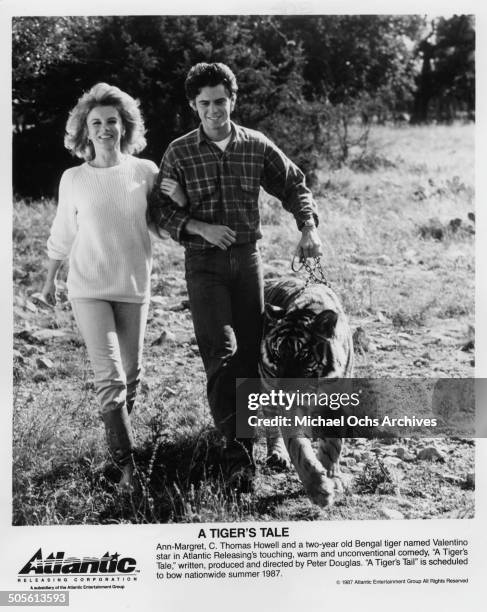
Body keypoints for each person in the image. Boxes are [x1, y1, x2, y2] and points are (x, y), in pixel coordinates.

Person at [148, 62, 322, 491]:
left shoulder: (255, 146)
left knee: (253, 355)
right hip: (204, 265)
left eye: (221, 101)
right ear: (193, 105)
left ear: (233, 100)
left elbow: (295, 184)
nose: (213, 110)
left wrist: (309, 227)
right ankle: (237, 454)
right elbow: (163, 212)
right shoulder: (179, 152)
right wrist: (199, 227)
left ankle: (270, 442)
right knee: (222, 357)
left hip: (247, 262)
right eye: (204, 103)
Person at [41, 82, 185, 490]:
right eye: (96, 122)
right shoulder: (73, 178)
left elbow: (160, 226)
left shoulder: (145, 171)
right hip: (87, 287)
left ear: (125, 126)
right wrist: (49, 279)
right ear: (85, 130)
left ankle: (116, 446)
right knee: (110, 376)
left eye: (112, 121)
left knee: (133, 373)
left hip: (133, 285)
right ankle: (128, 467)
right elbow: (62, 232)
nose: (105, 128)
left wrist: (181, 198)